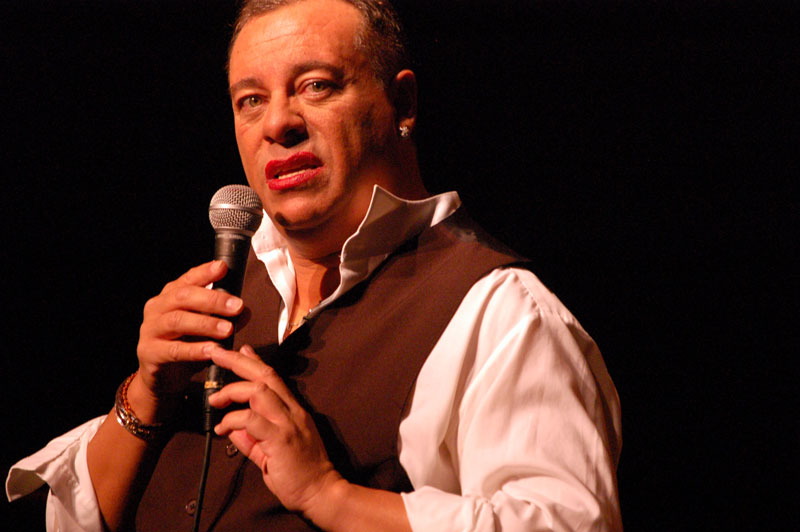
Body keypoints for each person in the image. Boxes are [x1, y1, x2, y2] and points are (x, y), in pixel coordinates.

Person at [6, 0, 623, 530]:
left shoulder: (499, 311)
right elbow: (74, 516)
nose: (278, 123)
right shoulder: (223, 291)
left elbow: (569, 522)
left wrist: (330, 495)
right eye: (251, 100)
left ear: (402, 102)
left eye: (316, 86)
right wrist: (144, 396)